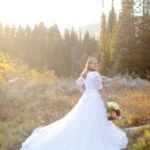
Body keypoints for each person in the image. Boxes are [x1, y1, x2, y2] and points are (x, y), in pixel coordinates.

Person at [21, 56, 128, 150]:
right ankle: (94, 138)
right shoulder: (96, 74)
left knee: (84, 117)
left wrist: (85, 92)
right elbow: (100, 90)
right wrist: (105, 102)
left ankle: (84, 135)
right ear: (89, 64)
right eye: (94, 63)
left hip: (87, 97)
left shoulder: (85, 73)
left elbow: (78, 83)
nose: (96, 65)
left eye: (97, 63)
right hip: (94, 97)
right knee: (96, 117)